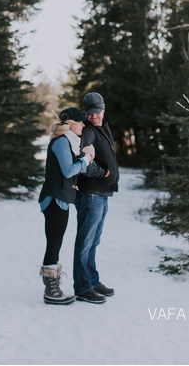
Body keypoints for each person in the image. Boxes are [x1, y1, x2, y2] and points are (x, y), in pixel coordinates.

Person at [38, 107, 107, 305]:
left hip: (61, 198)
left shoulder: (68, 142)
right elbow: (68, 171)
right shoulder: (61, 142)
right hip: (54, 199)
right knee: (54, 243)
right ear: (70, 124)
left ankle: (53, 286)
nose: (84, 125)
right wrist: (85, 159)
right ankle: (51, 290)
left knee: (56, 242)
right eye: (80, 122)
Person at [73, 91, 120, 304]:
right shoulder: (89, 132)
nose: (94, 116)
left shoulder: (103, 127)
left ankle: (92, 281)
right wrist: (104, 174)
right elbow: (84, 162)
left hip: (101, 194)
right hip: (90, 194)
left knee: (93, 241)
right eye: (90, 113)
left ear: (103, 109)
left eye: (97, 112)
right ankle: (83, 288)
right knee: (85, 242)